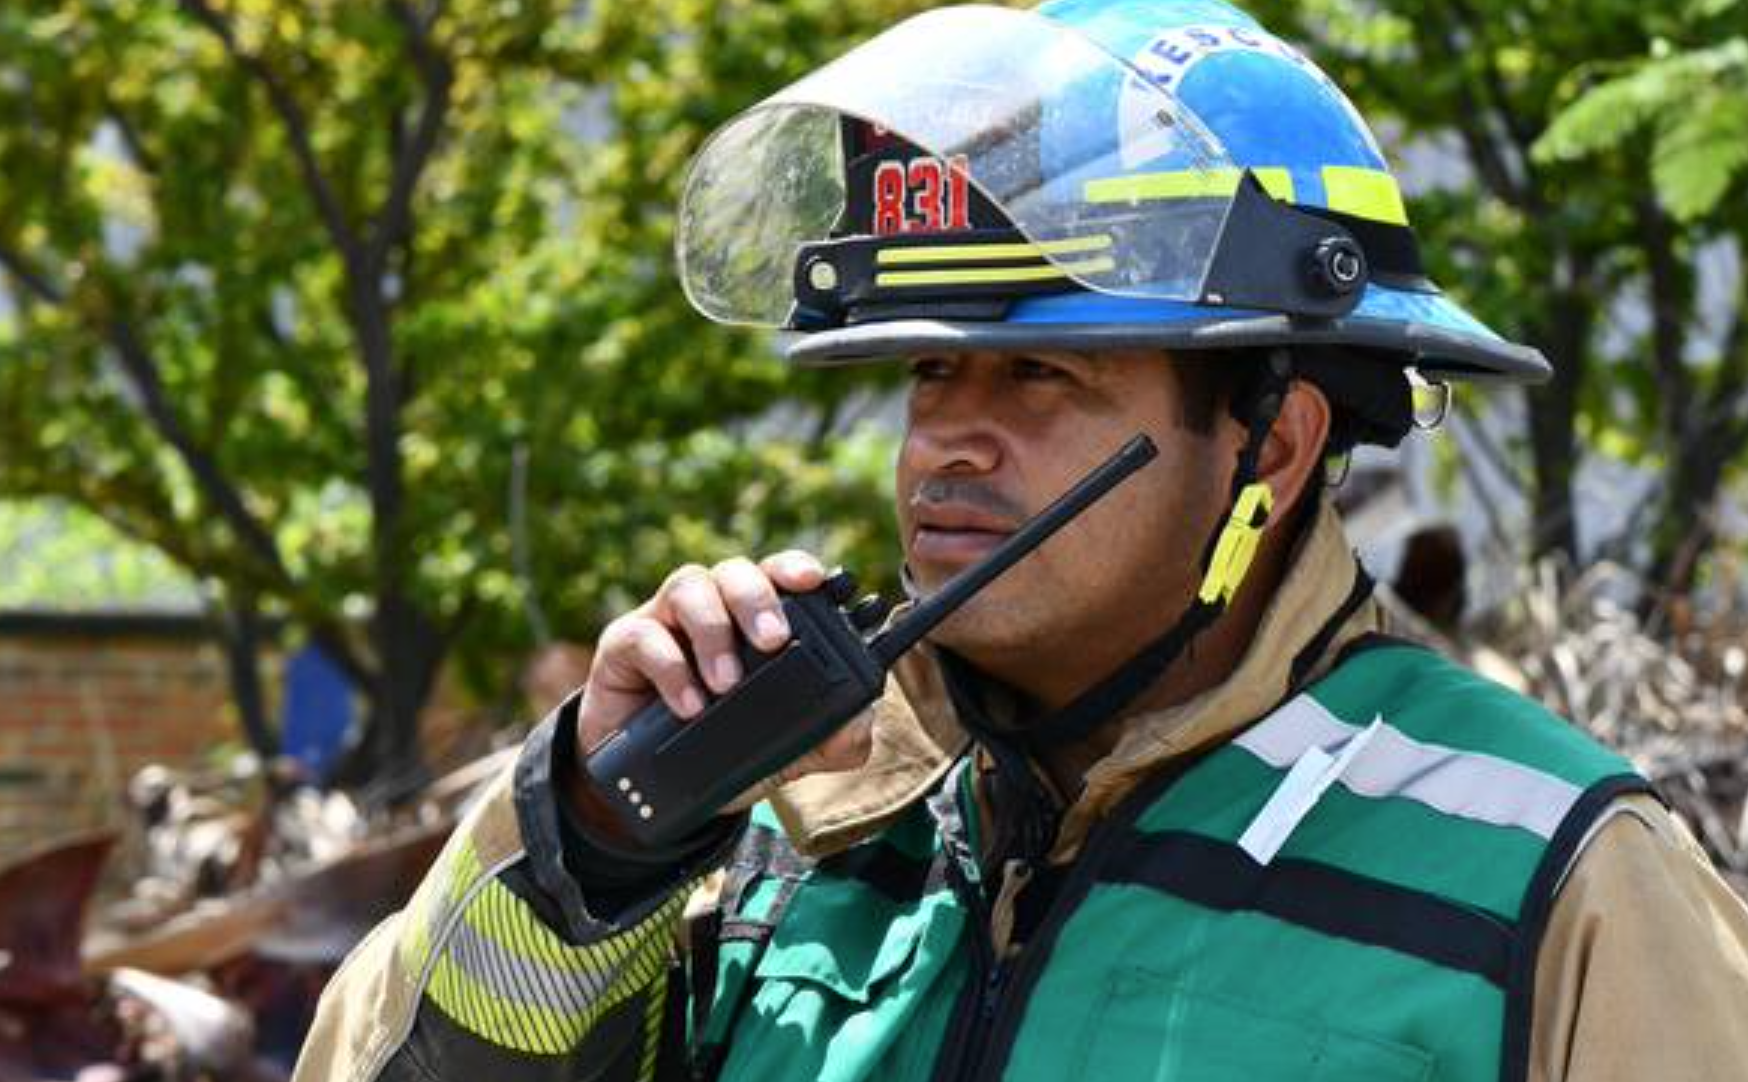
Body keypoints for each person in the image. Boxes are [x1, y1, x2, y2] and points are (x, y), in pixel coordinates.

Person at [292, 2, 1748, 1080]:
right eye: (929, 372)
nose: (945, 442)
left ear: (1276, 443)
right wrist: (590, 851)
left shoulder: (1556, 876)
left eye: (1042, 375)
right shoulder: (768, 841)